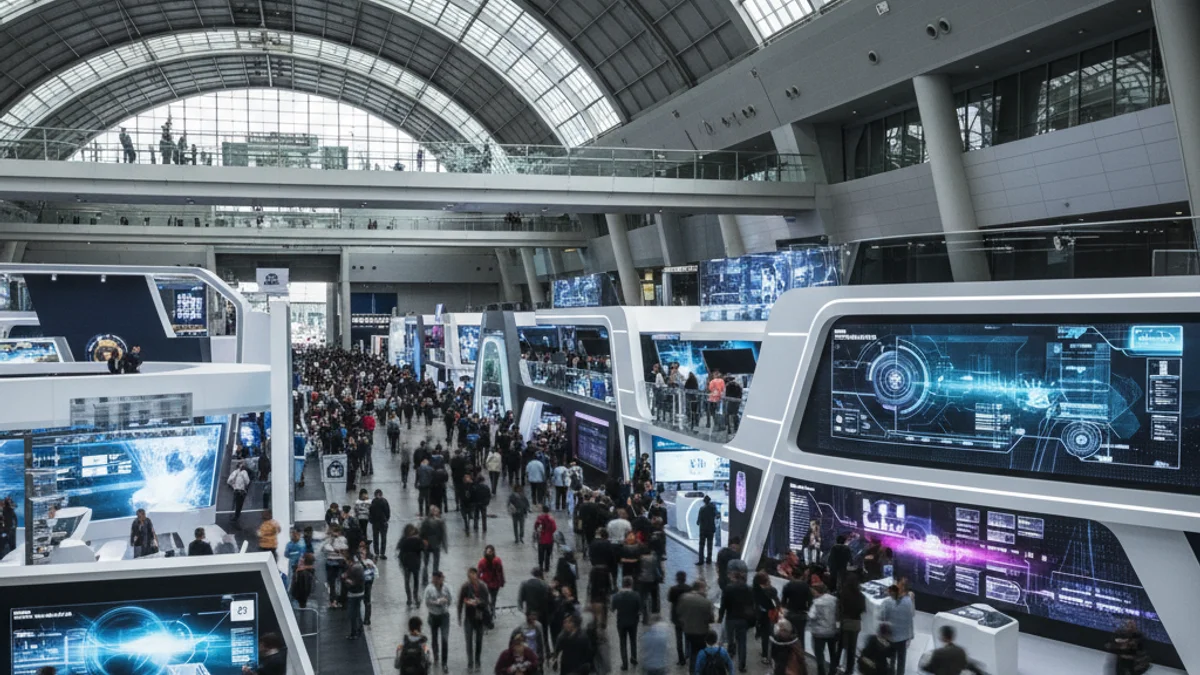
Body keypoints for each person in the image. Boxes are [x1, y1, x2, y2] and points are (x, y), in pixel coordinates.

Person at [718, 571, 754, 673]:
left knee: (730, 640)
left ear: (734, 577)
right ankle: (742, 665)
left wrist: (720, 617)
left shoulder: (728, 588)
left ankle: (729, 657)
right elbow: (752, 605)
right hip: (743, 619)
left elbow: (723, 604)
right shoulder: (749, 589)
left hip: (731, 618)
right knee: (742, 642)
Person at [458, 567, 492, 672]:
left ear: (476, 575)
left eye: (473, 574)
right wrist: (459, 616)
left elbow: (487, 602)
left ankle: (477, 661)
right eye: (470, 575)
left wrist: (478, 602)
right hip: (469, 617)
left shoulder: (483, 586)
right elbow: (460, 602)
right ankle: (470, 663)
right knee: (468, 642)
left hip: (480, 618)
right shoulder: (465, 586)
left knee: (479, 641)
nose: (472, 577)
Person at [676, 581, 715, 671]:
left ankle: (692, 670)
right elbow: (711, 619)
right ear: (701, 588)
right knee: (701, 651)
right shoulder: (706, 602)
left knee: (693, 651)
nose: (706, 590)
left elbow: (679, 612)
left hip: (688, 630)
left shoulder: (683, 598)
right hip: (701, 631)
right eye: (705, 588)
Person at [879, 583, 915, 675]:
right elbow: (911, 617)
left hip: (890, 636)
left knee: (892, 657)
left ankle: (891, 672)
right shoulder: (908, 602)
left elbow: (881, 617)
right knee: (901, 660)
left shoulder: (887, 602)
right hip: (903, 638)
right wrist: (910, 636)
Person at [920, 625, 985, 675]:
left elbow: (928, 668)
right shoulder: (960, 651)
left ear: (942, 637)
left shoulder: (938, 653)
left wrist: (923, 659)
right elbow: (967, 665)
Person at [835, 573, 866, 675]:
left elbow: (839, 608)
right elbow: (862, 610)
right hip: (856, 624)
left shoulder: (843, 594)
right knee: (852, 650)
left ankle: (835, 667)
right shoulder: (861, 596)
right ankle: (849, 671)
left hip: (845, 623)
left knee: (840, 647)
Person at [424, 571, 453, 673]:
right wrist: (435, 602)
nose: (434, 580)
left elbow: (450, 600)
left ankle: (444, 663)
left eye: (436, 578)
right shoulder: (429, 589)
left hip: (444, 616)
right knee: (434, 637)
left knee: (444, 639)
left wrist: (445, 601)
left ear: (441, 579)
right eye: (433, 578)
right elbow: (426, 602)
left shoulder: (446, 587)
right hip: (433, 616)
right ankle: (436, 656)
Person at [612, 577, 643, 670]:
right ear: (631, 584)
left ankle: (624, 664)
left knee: (622, 642)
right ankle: (633, 658)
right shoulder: (636, 595)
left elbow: (612, 609)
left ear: (622, 584)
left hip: (621, 622)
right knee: (633, 640)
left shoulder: (617, 596)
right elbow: (640, 609)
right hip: (633, 622)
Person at [808, 583, 838, 675]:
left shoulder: (816, 602)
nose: (813, 594)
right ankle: (832, 671)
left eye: (813, 592)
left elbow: (811, 615)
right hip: (832, 631)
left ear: (818, 591)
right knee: (833, 653)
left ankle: (821, 672)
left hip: (819, 632)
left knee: (819, 654)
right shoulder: (835, 600)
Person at [668, 571, 692, 666]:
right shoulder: (689, 588)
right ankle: (688, 653)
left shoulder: (673, 589)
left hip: (676, 616)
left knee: (678, 638)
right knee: (687, 637)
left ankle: (681, 658)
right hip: (687, 616)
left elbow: (670, 599)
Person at [781, 566, 813, 639]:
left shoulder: (788, 585)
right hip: (801, 614)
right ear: (801, 576)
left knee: (789, 635)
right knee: (801, 636)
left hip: (790, 613)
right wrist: (808, 610)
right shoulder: (806, 586)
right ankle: (800, 649)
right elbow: (810, 601)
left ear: (793, 575)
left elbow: (783, 601)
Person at [398, 524, 426, 608]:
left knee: (407, 581)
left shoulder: (403, 540)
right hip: (415, 563)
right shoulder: (417, 540)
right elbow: (422, 548)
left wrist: (402, 562)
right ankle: (415, 597)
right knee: (415, 580)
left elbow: (400, 552)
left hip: (406, 563)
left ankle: (409, 598)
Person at [420, 506, 448, 584]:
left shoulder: (425, 521)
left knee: (425, 563)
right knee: (435, 563)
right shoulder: (440, 522)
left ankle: (424, 579)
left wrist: (422, 541)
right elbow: (443, 535)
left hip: (427, 545)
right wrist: (444, 546)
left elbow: (421, 533)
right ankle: (434, 579)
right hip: (436, 545)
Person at [343, 550, 367, 641]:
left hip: (353, 594)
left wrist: (346, 580)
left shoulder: (352, 568)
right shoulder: (360, 566)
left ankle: (354, 633)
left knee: (353, 614)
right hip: (361, 592)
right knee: (357, 612)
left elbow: (351, 583)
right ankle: (360, 630)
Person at [534, 505, 557, 572]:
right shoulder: (551, 519)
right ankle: (547, 567)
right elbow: (554, 528)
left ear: (542, 510)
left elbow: (536, 526)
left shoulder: (540, 518)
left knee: (541, 554)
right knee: (548, 555)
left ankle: (541, 566)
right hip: (549, 540)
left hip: (541, 540)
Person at [696, 496, 717, 565]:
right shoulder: (713, 509)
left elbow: (698, 521)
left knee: (701, 545)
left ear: (704, 501)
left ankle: (701, 560)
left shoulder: (702, 509)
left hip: (703, 530)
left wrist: (699, 522)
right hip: (711, 530)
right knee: (710, 545)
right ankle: (709, 559)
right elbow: (717, 516)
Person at [370, 489, 391, 558]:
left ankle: (376, 553)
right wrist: (386, 519)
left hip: (375, 523)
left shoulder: (373, 501)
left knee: (376, 538)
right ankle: (382, 553)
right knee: (383, 538)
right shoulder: (384, 501)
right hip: (383, 522)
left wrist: (371, 520)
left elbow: (370, 512)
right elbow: (387, 511)